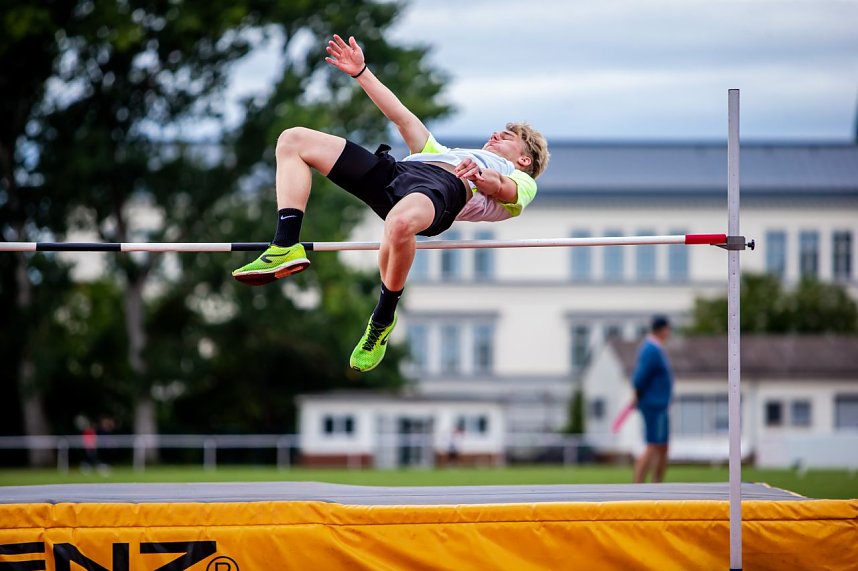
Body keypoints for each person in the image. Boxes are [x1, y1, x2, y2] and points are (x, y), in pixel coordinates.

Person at [232, 34, 550, 372]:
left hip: (444, 190)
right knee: (293, 139)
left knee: (398, 224)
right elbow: (402, 116)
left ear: (525, 160)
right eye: (498, 131)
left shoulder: (520, 180)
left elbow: (504, 190)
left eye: (508, 137)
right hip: (397, 173)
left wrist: (479, 177)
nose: (496, 135)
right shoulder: (444, 151)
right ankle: (285, 244)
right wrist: (361, 72)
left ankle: (382, 319)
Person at [631, 315, 674, 483]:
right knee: (652, 444)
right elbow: (640, 377)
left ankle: (658, 484)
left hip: (660, 404)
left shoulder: (656, 348)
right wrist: (636, 394)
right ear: (663, 330)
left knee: (662, 446)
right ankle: (638, 485)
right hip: (653, 404)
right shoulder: (651, 349)